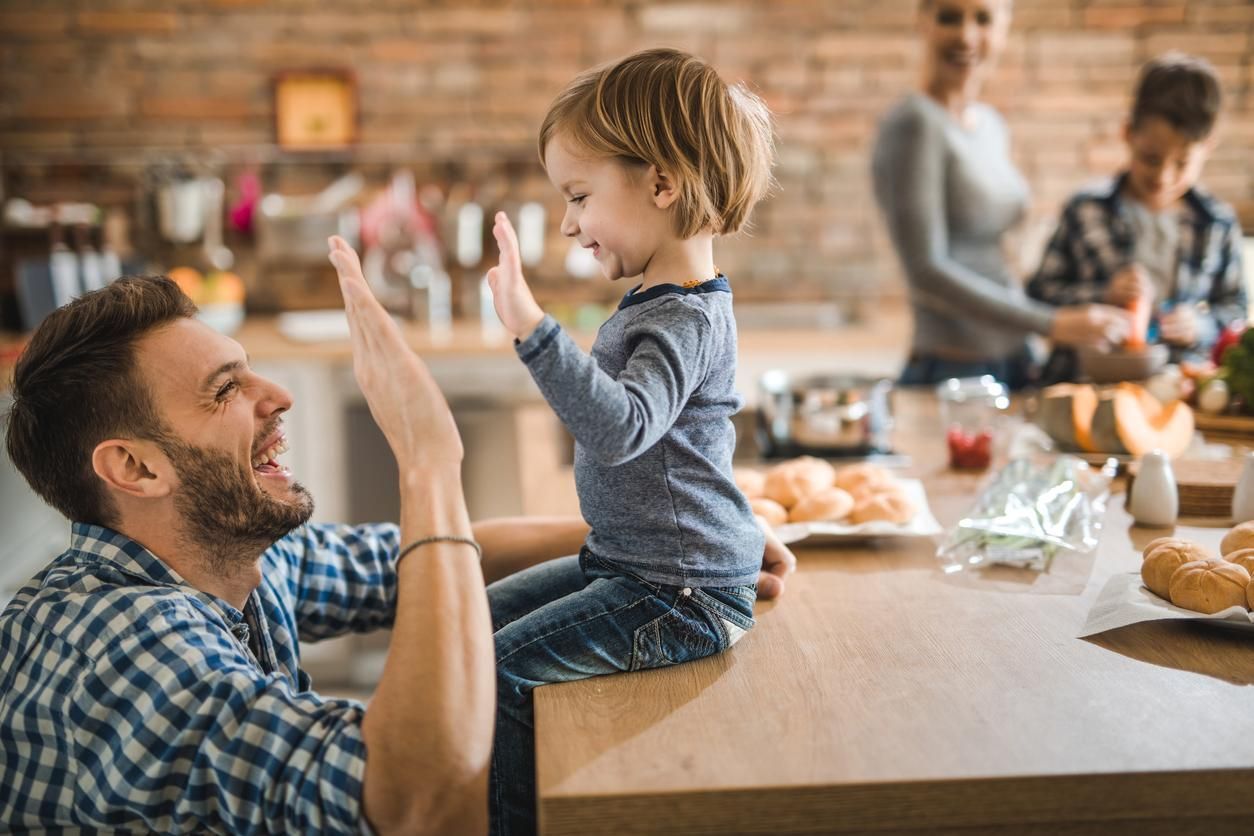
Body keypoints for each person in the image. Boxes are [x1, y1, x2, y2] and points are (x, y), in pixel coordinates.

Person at [0, 268, 795, 833]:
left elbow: (444, 556)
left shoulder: (222, 555)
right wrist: (425, 460)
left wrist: (684, 537)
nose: (273, 397)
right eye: (224, 391)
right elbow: (414, 804)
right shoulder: (124, 645)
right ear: (134, 469)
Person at [482, 47, 775, 834]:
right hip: (632, 568)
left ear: (662, 182)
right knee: (469, 628)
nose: (571, 221)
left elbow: (623, 430)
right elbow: (691, 457)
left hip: (676, 599)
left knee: (499, 670)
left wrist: (532, 329)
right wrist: (744, 534)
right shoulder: (662, 302)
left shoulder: (682, 315)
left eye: (579, 195)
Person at [871, 0, 1132, 390]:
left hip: (1016, 360)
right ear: (922, 22)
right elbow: (925, 272)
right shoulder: (915, 123)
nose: (966, 35)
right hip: (954, 372)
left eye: (983, 19)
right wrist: (1054, 324)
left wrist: (1088, 296)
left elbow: (997, 256)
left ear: (1004, 28)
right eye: (949, 17)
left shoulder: (990, 124)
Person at [1026, 52, 1247, 382]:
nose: (1164, 176)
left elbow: (1236, 310)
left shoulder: (1218, 224)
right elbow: (1037, 297)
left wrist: (1200, 326)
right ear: (1128, 133)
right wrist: (1102, 293)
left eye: (1182, 163)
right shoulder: (1085, 209)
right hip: (1084, 384)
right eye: (1151, 158)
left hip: (1173, 390)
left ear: (1208, 148)